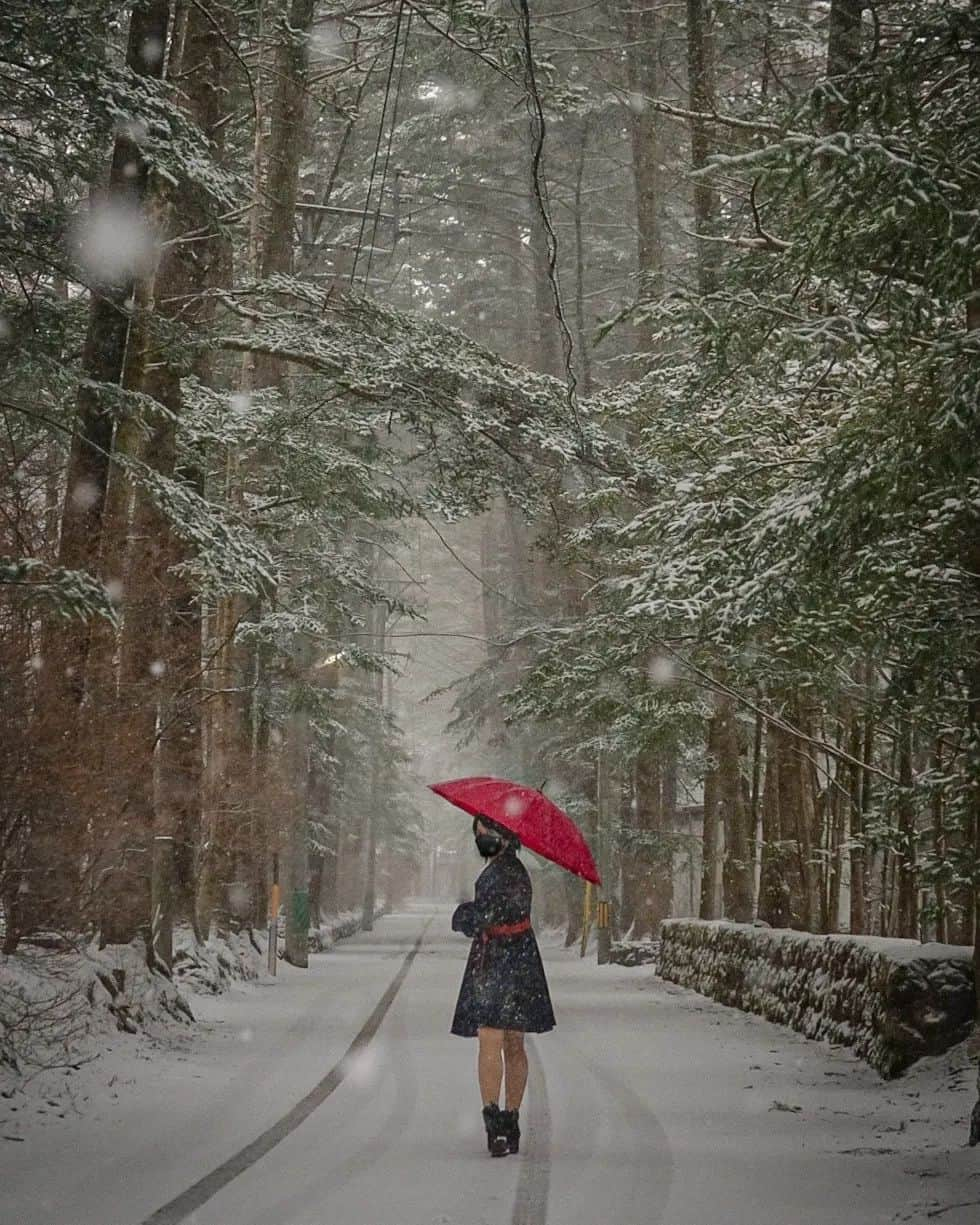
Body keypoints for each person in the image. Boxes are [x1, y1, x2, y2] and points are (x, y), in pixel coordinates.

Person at [451, 814, 555, 1157]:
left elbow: (493, 913)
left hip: (499, 958)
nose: (483, 838)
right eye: (479, 834)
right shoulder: (513, 869)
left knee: (494, 1039)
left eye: (488, 832)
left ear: (505, 835)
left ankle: (497, 1119)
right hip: (516, 958)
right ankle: (507, 1120)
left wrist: (466, 916)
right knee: (510, 1041)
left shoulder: (509, 872)